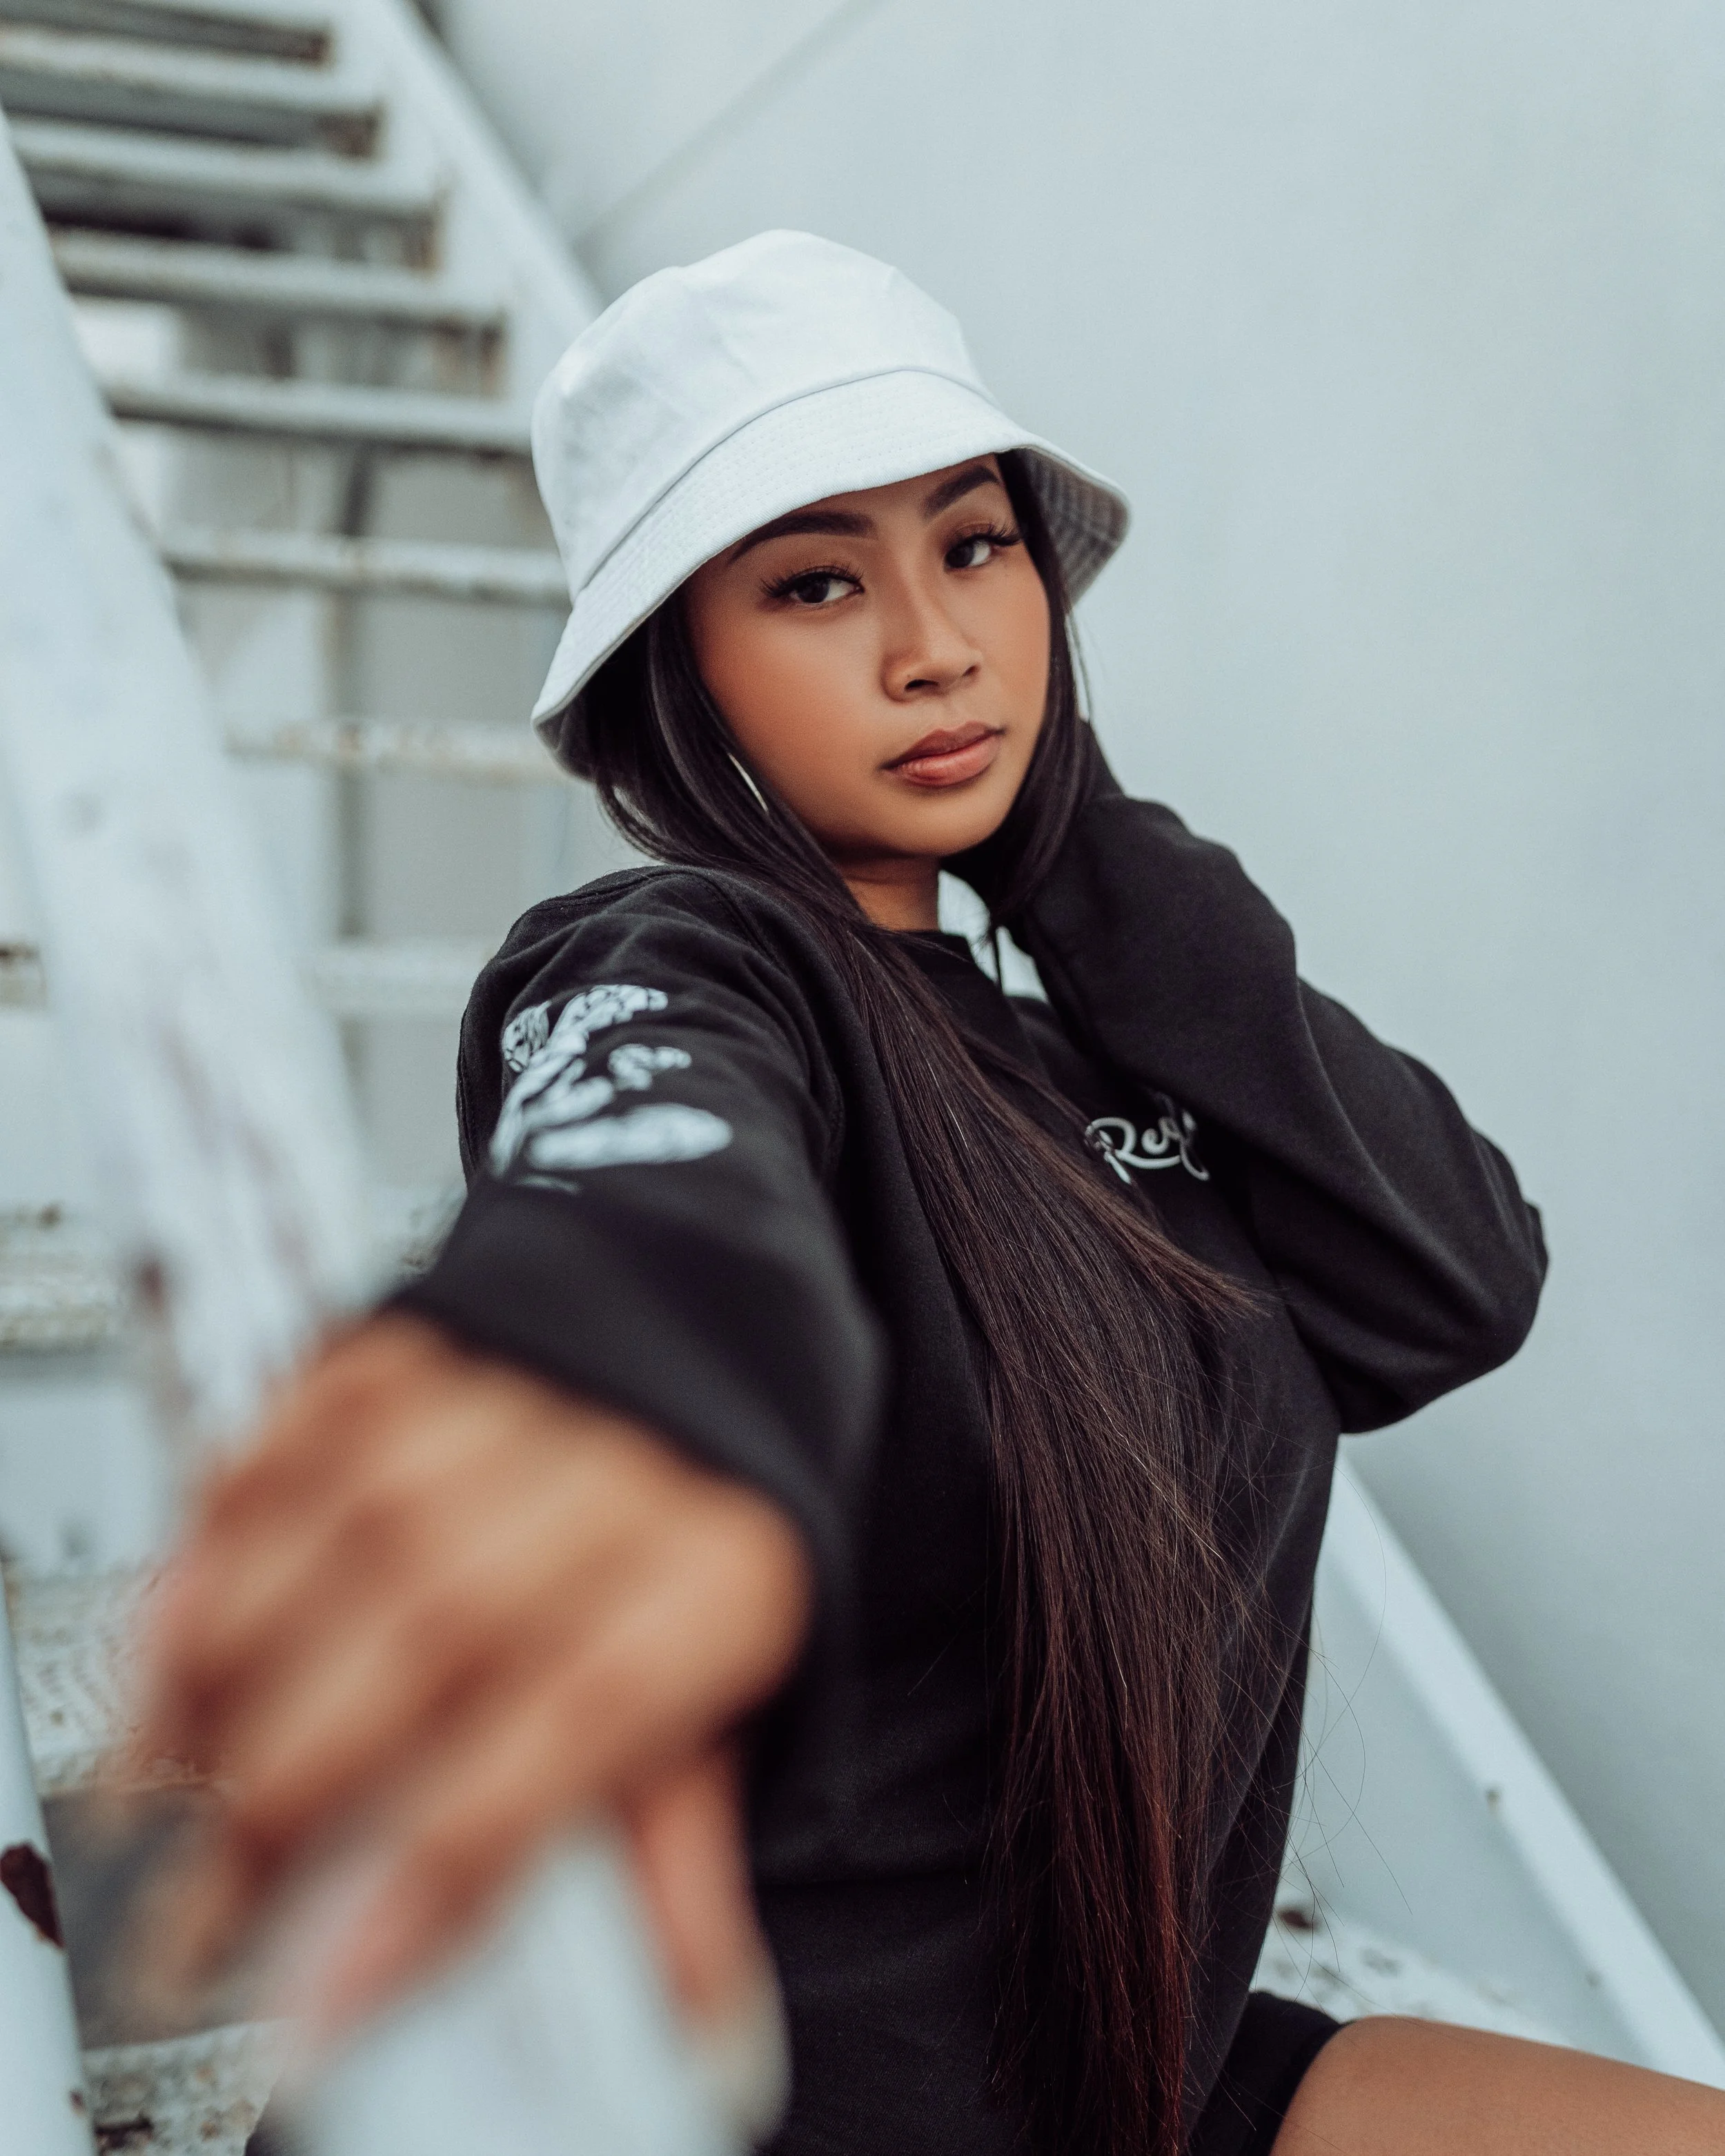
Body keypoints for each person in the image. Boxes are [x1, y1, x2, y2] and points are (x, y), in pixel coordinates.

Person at [141, 233, 1725, 2156]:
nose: (932, 643)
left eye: (972, 546)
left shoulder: (1096, 1058)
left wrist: (1080, 849)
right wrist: (610, 1392)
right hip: (730, 2095)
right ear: (679, 665)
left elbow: (1452, 1280)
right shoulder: (684, 958)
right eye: (814, 580)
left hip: (1127, 2065)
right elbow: (650, 1188)